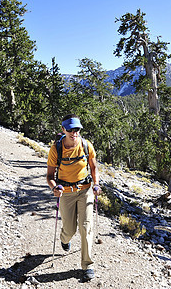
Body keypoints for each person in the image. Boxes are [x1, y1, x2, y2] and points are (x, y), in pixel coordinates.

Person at [46, 114, 101, 282]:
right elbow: (49, 176)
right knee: (70, 229)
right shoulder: (56, 149)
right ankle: (64, 239)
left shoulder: (86, 146)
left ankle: (87, 265)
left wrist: (96, 184)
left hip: (85, 191)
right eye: (70, 129)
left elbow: (93, 167)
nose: (74, 133)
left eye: (76, 129)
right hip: (67, 193)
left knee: (86, 227)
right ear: (63, 129)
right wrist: (54, 187)